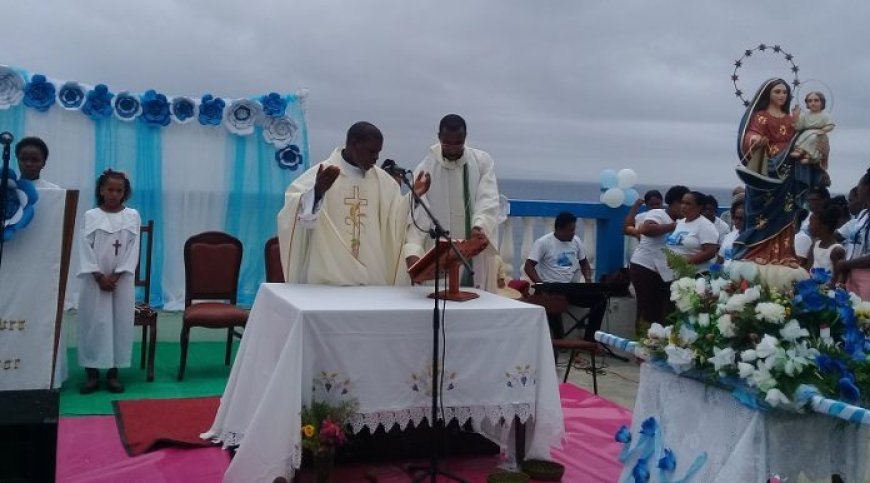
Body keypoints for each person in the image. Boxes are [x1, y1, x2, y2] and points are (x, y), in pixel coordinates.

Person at [277, 122, 430, 285]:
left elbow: (395, 218)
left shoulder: (383, 181)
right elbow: (295, 213)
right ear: (353, 144)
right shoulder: (322, 173)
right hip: (329, 276)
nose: (376, 158)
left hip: (372, 275)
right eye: (372, 151)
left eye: (378, 152)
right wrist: (317, 193)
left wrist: (413, 197)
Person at [733, 78, 824, 275]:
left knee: (787, 210)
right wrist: (757, 140)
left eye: (785, 92)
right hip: (766, 169)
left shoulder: (791, 118)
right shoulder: (761, 116)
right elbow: (750, 135)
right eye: (777, 92)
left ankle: (785, 253)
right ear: (768, 94)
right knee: (762, 211)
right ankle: (758, 249)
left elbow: (804, 137)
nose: (782, 95)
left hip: (787, 172)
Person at [404, 114, 501, 292]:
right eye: (448, 143)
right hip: (438, 252)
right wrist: (413, 250)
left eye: (459, 142)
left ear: (465, 138)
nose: (453, 148)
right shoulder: (426, 168)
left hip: (473, 247)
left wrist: (480, 226)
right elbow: (418, 214)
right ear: (439, 137)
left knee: (475, 299)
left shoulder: (481, 162)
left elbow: (488, 199)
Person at [76, 169, 140, 394]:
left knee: (118, 323)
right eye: (110, 189)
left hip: (120, 282)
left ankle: (114, 372)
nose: (114, 194)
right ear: (101, 190)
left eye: (119, 190)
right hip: (95, 281)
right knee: (93, 323)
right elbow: (84, 247)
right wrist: (97, 275)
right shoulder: (90, 216)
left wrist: (118, 274)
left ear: (125, 193)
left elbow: (133, 248)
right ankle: (91, 373)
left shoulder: (132, 216)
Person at [524, 212, 603, 342]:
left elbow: (584, 262)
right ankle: (559, 341)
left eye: (574, 229)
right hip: (550, 287)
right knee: (553, 305)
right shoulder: (543, 242)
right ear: (559, 229)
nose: (573, 233)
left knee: (600, 299)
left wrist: (588, 280)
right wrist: (541, 285)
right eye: (570, 230)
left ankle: (590, 338)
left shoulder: (576, 241)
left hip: (569, 287)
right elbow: (528, 266)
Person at [629, 185, 688, 326]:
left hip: (662, 271)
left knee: (662, 311)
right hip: (644, 267)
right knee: (647, 311)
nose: (685, 208)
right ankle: (642, 343)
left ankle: (657, 343)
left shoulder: (684, 221)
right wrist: (673, 226)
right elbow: (647, 229)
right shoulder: (658, 213)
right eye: (684, 203)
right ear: (674, 203)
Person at [665, 191, 720, 274]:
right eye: (682, 203)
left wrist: (686, 260)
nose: (683, 206)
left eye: (688, 204)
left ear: (699, 207)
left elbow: (710, 252)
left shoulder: (705, 225)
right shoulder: (680, 223)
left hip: (697, 274)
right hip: (677, 274)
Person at [836, 169, 870, 299]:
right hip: (852, 276)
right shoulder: (862, 215)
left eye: (860, 185)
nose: (858, 189)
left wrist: (846, 264)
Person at [791, 91, 835, 169]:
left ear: (822, 102)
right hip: (806, 133)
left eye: (816, 100)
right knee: (804, 135)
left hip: (819, 134)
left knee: (814, 137)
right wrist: (796, 117)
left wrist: (823, 130)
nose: (813, 103)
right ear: (807, 104)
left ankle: (810, 157)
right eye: (810, 101)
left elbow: (831, 125)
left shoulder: (825, 115)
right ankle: (800, 150)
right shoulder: (805, 116)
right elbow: (798, 127)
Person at [808, 203, 845, 283]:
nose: (809, 226)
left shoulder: (836, 251)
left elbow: (838, 280)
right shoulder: (814, 245)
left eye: (812, 223)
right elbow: (809, 271)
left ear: (824, 227)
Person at [718, 197, 745, 263]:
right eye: (736, 218)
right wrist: (714, 272)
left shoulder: (755, 240)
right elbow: (720, 261)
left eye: (741, 219)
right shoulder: (728, 237)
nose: (737, 221)